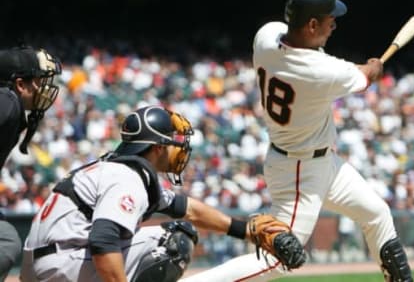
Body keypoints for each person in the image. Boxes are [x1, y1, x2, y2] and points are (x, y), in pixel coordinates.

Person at [181, 0, 413, 282]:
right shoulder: (322, 70)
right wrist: (374, 65)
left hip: (319, 162)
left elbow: (342, 66)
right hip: (300, 169)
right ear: (313, 23)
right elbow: (366, 74)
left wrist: (366, 69)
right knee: (278, 259)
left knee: (376, 212)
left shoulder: (265, 37)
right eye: (330, 20)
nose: (334, 26)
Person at [19, 106, 265, 282]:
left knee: (176, 228)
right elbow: (103, 239)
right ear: (158, 147)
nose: (178, 149)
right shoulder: (128, 177)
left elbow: (188, 209)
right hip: (61, 267)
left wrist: (245, 231)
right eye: (172, 143)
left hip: (39, 266)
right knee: (172, 241)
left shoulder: (115, 168)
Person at [0, 46, 62, 281]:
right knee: (5, 241)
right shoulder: (7, 101)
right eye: (37, 81)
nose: (42, 88)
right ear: (20, 84)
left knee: (6, 239)